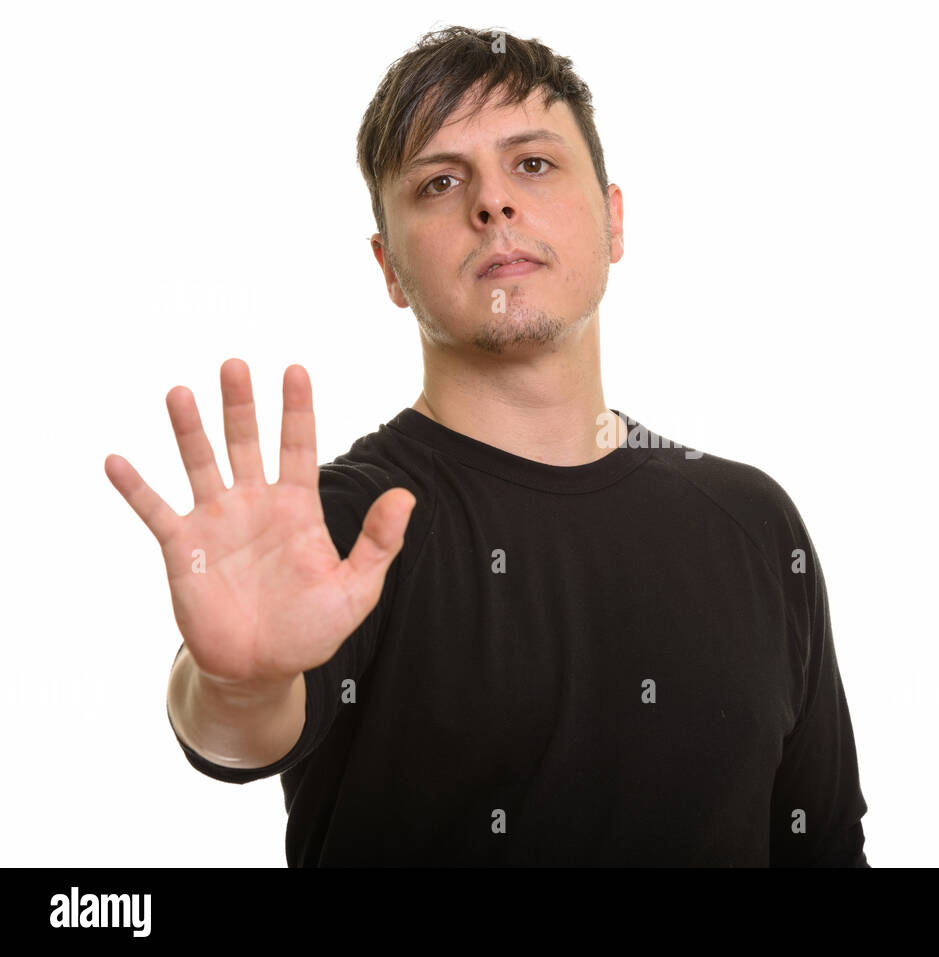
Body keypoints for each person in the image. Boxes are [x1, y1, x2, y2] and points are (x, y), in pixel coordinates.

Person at [104, 25, 869, 867]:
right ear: (389, 267)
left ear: (613, 221)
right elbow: (238, 732)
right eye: (439, 181)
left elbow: (824, 845)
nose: (493, 203)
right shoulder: (348, 526)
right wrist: (239, 684)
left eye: (533, 165)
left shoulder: (752, 522)